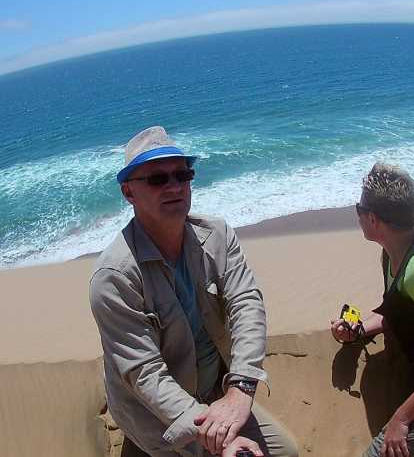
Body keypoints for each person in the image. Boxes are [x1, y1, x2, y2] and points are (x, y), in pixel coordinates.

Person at [90, 126, 297, 456]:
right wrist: (220, 436)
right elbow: (146, 375)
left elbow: (247, 304)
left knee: (286, 451)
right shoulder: (114, 277)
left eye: (183, 174)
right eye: (157, 179)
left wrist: (241, 388)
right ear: (128, 192)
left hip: (218, 393)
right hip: (160, 417)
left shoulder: (217, 235)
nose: (174, 185)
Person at [331, 163, 414, 457]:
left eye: (359, 208)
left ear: (372, 218)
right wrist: (358, 329)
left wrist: (402, 419)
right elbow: (396, 311)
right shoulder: (393, 252)